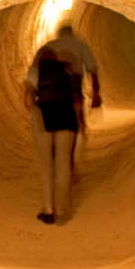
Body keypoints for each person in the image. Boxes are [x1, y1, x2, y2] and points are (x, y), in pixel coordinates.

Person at [23, 23, 102, 225]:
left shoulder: (43, 55)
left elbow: (28, 94)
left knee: (46, 164)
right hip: (66, 109)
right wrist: (94, 96)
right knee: (63, 161)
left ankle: (49, 209)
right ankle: (62, 209)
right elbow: (90, 71)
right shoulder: (74, 56)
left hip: (43, 113)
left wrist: (34, 107)